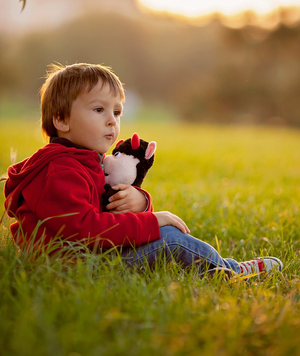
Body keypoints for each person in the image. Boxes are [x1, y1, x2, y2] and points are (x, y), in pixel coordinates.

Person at [4, 63, 283, 278]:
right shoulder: (60, 170)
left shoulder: (86, 160)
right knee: (171, 239)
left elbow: (106, 208)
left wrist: (140, 201)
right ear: (61, 120)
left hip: (90, 255)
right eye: (99, 110)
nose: (112, 122)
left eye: (117, 112)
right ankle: (230, 272)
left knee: (164, 236)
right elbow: (87, 230)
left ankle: (223, 266)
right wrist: (153, 220)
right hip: (76, 267)